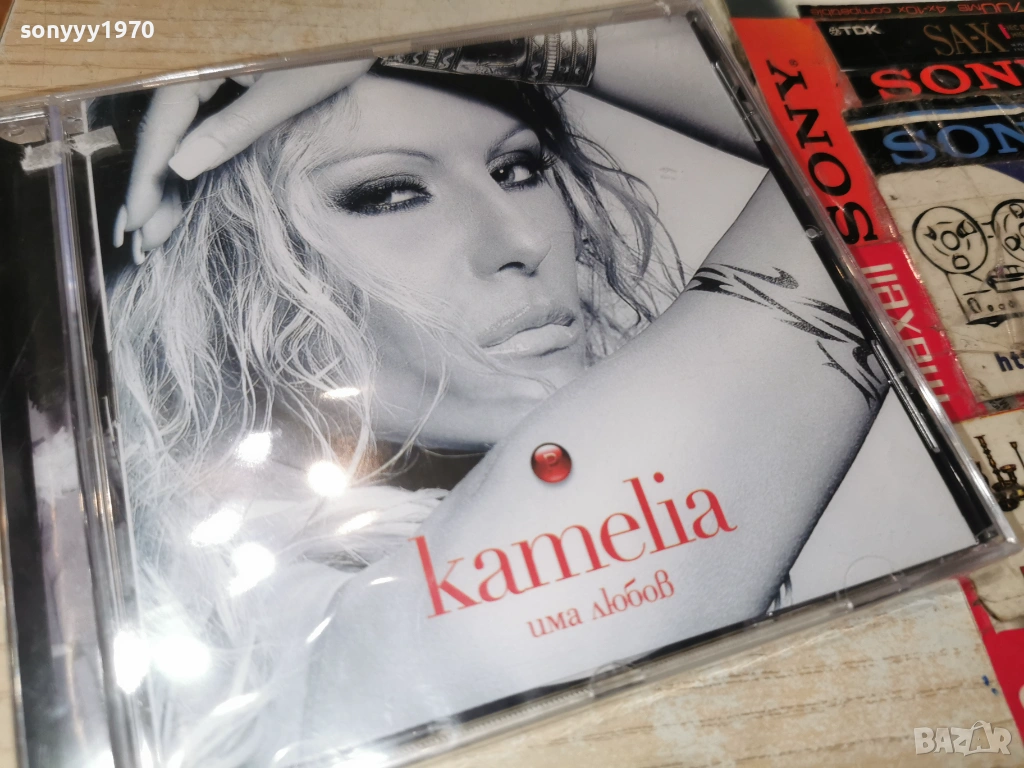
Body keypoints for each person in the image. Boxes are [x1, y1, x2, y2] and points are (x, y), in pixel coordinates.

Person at [103, 17, 885, 766]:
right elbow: (897, 144)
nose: (523, 239)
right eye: (390, 193)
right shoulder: (324, 649)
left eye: (517, 169)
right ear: (214, 275)